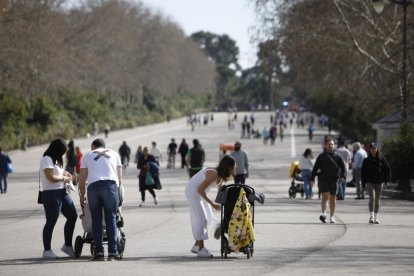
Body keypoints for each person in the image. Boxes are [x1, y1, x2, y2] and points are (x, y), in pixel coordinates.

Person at [79, 138, 122, 261]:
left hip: (93, 188)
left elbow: (82, 181)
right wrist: (118, 195)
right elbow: (120, 179)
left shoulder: (87, 155)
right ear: (104, 146)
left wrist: (82, 196)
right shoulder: (114, 154)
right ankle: (113, 252)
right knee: (111, 219)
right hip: (110, 186)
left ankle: (99, 252)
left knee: (96, 220)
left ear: (93, 146)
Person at [185, 155, 236, 258]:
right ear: (228, 167)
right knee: (201, 219)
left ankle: (196, 245)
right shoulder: (213, 173)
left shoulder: (220, 174)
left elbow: (220, 188)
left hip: (200, 193)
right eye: (233, 167)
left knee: (209, 217)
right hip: (194, 192)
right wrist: (212, 203)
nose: (234, 169)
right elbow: (200, 190)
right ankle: (201, 249)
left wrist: (226, 202)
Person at [40, 139, 77, 259]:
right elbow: (50, 177)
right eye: (62, 151)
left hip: (63, 192)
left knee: (72, 216)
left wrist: (66, 173)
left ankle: (67, 245)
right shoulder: (46, 159)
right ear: (57, 150)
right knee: (51, 221)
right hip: (51, 194)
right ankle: (47, 250)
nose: (63, 154)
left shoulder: (56, 159)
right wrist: (63, 178)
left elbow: (58, 171)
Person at [311, 138, 346, 223]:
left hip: (334, 180)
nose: (330, 145)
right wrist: (312, 178)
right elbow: (315, 168)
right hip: (323, 179)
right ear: (326, 145)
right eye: (329, 144)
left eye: (332, 144)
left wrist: (343, 177)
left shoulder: (338, 156)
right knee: (325, 197)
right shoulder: (321, 156)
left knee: (333, 198)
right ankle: (324, 214)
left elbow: (343, 168)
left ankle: (332, 217)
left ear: (334, 146)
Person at [361, 142, 391, 224]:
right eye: (371, 149)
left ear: (377, 149)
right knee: (372, 198)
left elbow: (387, 170)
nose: (373, 150)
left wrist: (387, 180)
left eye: (375, 148)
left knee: (377, 200)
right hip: (370, 182)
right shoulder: (366, 160)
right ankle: (371, 216)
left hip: (379, 182)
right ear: (369, 150)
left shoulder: (382, 159)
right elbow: (363, 173)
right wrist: (363, 185)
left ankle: (376, 217)